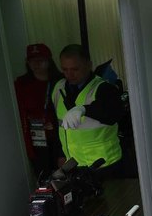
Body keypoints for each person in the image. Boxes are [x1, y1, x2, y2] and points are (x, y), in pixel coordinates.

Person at [52, 44, 125, 174]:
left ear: (89, 65)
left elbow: (114, 114)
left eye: (75, 69)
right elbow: (57, 124)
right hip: (73, 165)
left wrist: (84, 109)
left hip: (105, 165)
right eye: (65, 69)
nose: (70, 74)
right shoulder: (58, 88)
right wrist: (61, 154)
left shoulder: (103, 88)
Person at [13, 43, 62, 178]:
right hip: (36, 139)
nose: (36, 64)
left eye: (40, 60)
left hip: (59, 137)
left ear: (49, 61)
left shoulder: (60, 81)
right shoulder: (21, 84)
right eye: (32, 61)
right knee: (43, 177)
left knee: (64, 176)